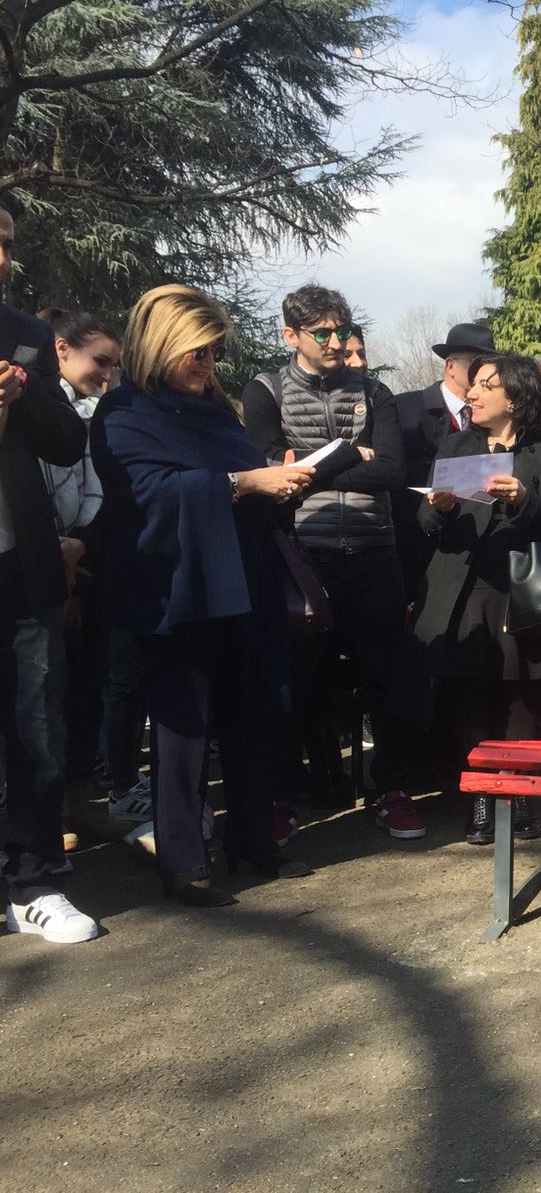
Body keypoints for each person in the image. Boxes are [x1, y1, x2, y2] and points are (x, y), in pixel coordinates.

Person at [92, 284, 317, 906]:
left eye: (215, 352)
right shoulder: (124, 412)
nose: (208, 364)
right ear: (162, 344)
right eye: (197, 352)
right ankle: (184, 862)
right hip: (177, 589)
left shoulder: (216, 410)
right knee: (182, 731)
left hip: (244, 579)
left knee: (251, 714)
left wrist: (282, 485)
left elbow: (238, 483)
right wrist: (243, 482)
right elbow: (146, 496)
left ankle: (252, 841)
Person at [240, 285, 424, 839]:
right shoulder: (265, 390)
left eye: (341, 330)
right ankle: (282, 796)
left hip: (373, 549)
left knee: (387, 678)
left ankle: (391, 790)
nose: (336, 342)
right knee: (295, 681)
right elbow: (266, 468)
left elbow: (391, 471)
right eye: (321, 333)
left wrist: (308, 465)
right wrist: (351, 453)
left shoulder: (375, 391)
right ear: (290, 335)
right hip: (302, 554)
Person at [396, 354, 541, 843]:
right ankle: (480, 797)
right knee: (471, 699)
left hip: (524, 590)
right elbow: (424, 524)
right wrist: (438, 508)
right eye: (472, 384)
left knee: (519, 698)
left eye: (484, 385)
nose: (471, 394)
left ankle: (519, 796)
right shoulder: (457, 445)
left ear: (513, 397)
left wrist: (523, 500)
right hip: (466, 590)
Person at [0, 206, 98, 943]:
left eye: (5, 244)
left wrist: (23, 390)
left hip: (21, 564)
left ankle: (33, 882)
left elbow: (66, 441)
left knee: (37, 726)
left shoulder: (25, 335)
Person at [36, 310, 120, 843]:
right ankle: (41, 816)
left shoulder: (93, 413)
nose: (106, 375)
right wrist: (56, 560)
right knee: (41, 698)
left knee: (86, 690)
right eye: (99, 361)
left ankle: (78, 804)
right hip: (37, 569)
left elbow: (99, 490)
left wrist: (81, 546)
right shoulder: (36, 405)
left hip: (85, 564)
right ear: (62, 348)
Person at [394, 323, 496, 601]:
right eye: (475, 363)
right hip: (414, 548)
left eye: (489, 365)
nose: (482, 372)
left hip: (471, 555)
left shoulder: (493, 418)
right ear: (450, 365)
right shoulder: (405, 409)